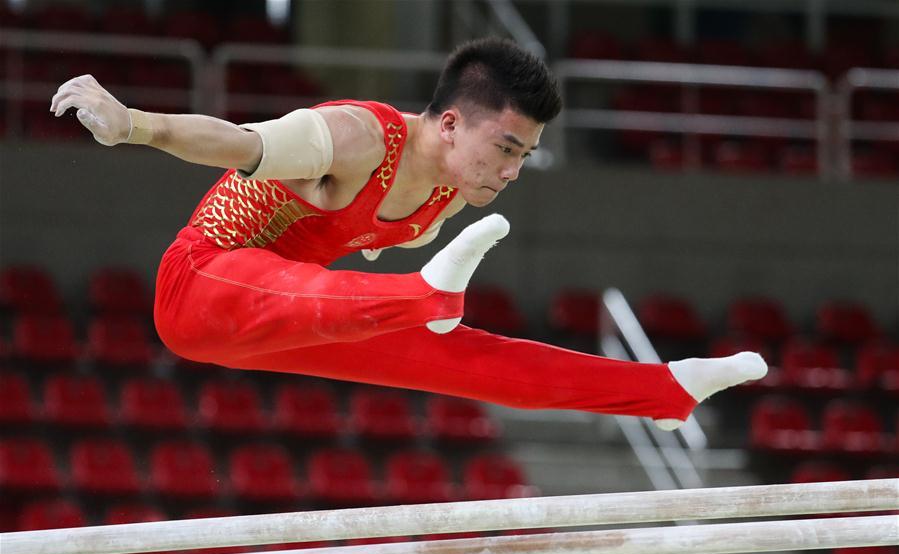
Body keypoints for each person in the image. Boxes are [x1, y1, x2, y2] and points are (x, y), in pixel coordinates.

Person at [49, 38, 766, 430]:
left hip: (307, 313)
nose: (513, 171)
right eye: (507, 148)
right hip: (200, 291)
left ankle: (661, 390)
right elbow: (236, 142)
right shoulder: (353, 137)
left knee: (475, 359)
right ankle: (422, 298)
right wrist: (134, 125)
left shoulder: (448, 196)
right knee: (335, 291)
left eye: (525, 156)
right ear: (449, 122)